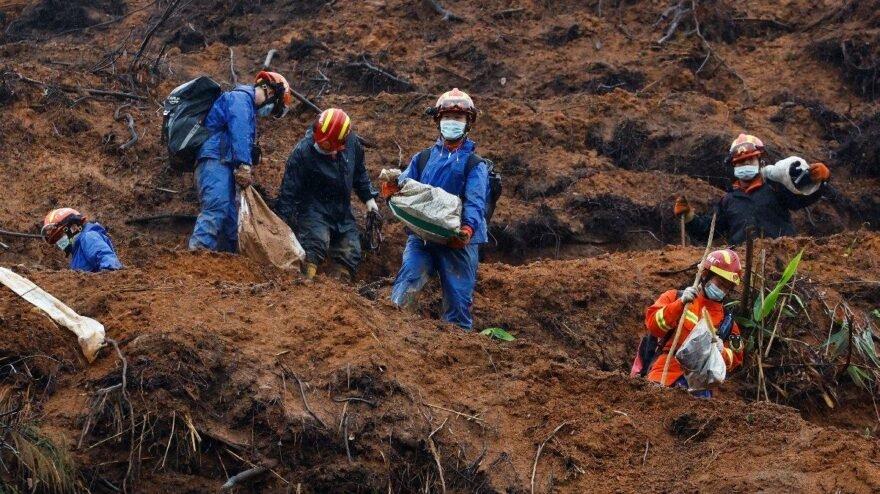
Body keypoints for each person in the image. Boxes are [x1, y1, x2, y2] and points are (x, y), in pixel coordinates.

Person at [384, 88, 489, 331]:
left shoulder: (474, 165)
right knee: (408, 282)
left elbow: (476, 202)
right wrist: (392, 188)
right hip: (423, 238)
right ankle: (393, 335)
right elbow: (406, 187)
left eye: (458, 118)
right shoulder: (422, 158)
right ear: (438, 121)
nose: (452, 123)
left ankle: (458, 350)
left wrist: (467, 229)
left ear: (468, 123)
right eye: (447, 117)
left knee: (458, 301)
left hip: (458, 242)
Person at [189, 71, 292, 252]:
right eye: (274, 108)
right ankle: (196, 256)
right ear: (270, 93)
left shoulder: (248, 108)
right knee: (216, 208)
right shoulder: (240, 99)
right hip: (215, 161)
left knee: (231, 223)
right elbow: (239, 131)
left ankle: (226, 266)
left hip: (225, 164)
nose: (269, 113)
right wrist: (244, 164)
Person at [275, 108, 378, 281]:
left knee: (351, 251)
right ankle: (304, 283)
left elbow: (359, 172)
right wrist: (280, 225)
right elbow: (288, 192)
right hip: (313, 208)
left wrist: (369, 197)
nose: (321, 147)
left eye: (327, 146)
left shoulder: (351, 143)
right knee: (315, 243)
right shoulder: (302, 152)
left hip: (342, 210)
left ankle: (337, 290)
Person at [674, 134, 831, 245]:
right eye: (741, 162)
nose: (745, 165)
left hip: (780, 258)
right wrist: (689, 217)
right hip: (744, 265)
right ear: (734, 166)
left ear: (759, 161)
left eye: (750, 160)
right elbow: (708, 231)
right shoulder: (729, 200)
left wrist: (819, 181)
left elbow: (800, 199)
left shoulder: (775, 188)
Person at [643, 249, 745, 398]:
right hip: (664, 377)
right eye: (720, 283)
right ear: (704, 275)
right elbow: (653, 325)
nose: (722, 290)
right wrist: (679, 305)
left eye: (727, 287)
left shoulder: (727, 322)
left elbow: (736, 359)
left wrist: (721, 351)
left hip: (699, 388)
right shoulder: (674, 297)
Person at [41, 208, 122, 272]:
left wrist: (109, 271)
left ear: (74, 227)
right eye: (56, 239)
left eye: (60, 235)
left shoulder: (89, 237)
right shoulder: (76, 255)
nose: (59, 242)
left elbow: (108, 262)